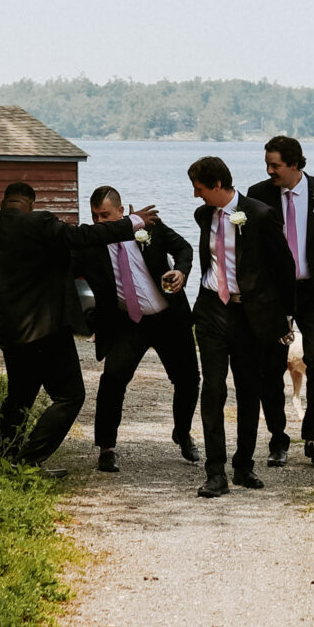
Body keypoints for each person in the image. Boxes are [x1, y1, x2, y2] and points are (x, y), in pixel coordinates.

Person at [0, 182, 150, 470]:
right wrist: (131, 221)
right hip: (47, 327)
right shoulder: (40, 223)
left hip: (9, 333)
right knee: (69, 396)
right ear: (30, 203)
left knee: (19, 396)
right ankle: (29, 460)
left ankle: (2, 458)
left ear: (3, 203)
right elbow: (83, 236)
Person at [188, 156, 297, 498]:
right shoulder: (204, 214)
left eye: (200, 188)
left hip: (248, 314)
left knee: (250, 390)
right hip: (210, 309)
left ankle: (243, 465)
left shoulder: (261, 215)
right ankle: (215, 472)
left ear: (218, 185)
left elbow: (284, 269)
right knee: (213, 388)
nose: (196, 195)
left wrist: (282, 320)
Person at [77, 185, 202, 472]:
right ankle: (107, 447)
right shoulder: (89, 244)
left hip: (169, 317)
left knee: (188, 379)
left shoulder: (149, 227)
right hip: (127, 323)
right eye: (95, 216)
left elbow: (183, 247)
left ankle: (182, 433)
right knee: (113, 381)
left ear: (121, 212)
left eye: (105, 215)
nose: (99, 222)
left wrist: (181, 271)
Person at [259, 134, 314, 466]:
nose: (269, 171)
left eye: (275, 165)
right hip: (276, 294)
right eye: (267, 164)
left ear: (295, 164)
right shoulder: (258, 194)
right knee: (271, 365)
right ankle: (278, 438)